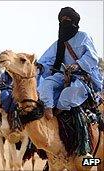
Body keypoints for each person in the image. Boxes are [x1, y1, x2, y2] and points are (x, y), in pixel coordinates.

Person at [37, 7, 103, 159]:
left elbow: (92, 57)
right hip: (61, 75)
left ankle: (63, 117)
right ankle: (49, 111)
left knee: (68, 94)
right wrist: (39, 66)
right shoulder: (58, 43)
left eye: (67, 20)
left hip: (81, 76)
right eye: (61, 20)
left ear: (74, 21)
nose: (64, 22)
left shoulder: (84, 37)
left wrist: (78, 64)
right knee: (46, 84)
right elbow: (47, 60)